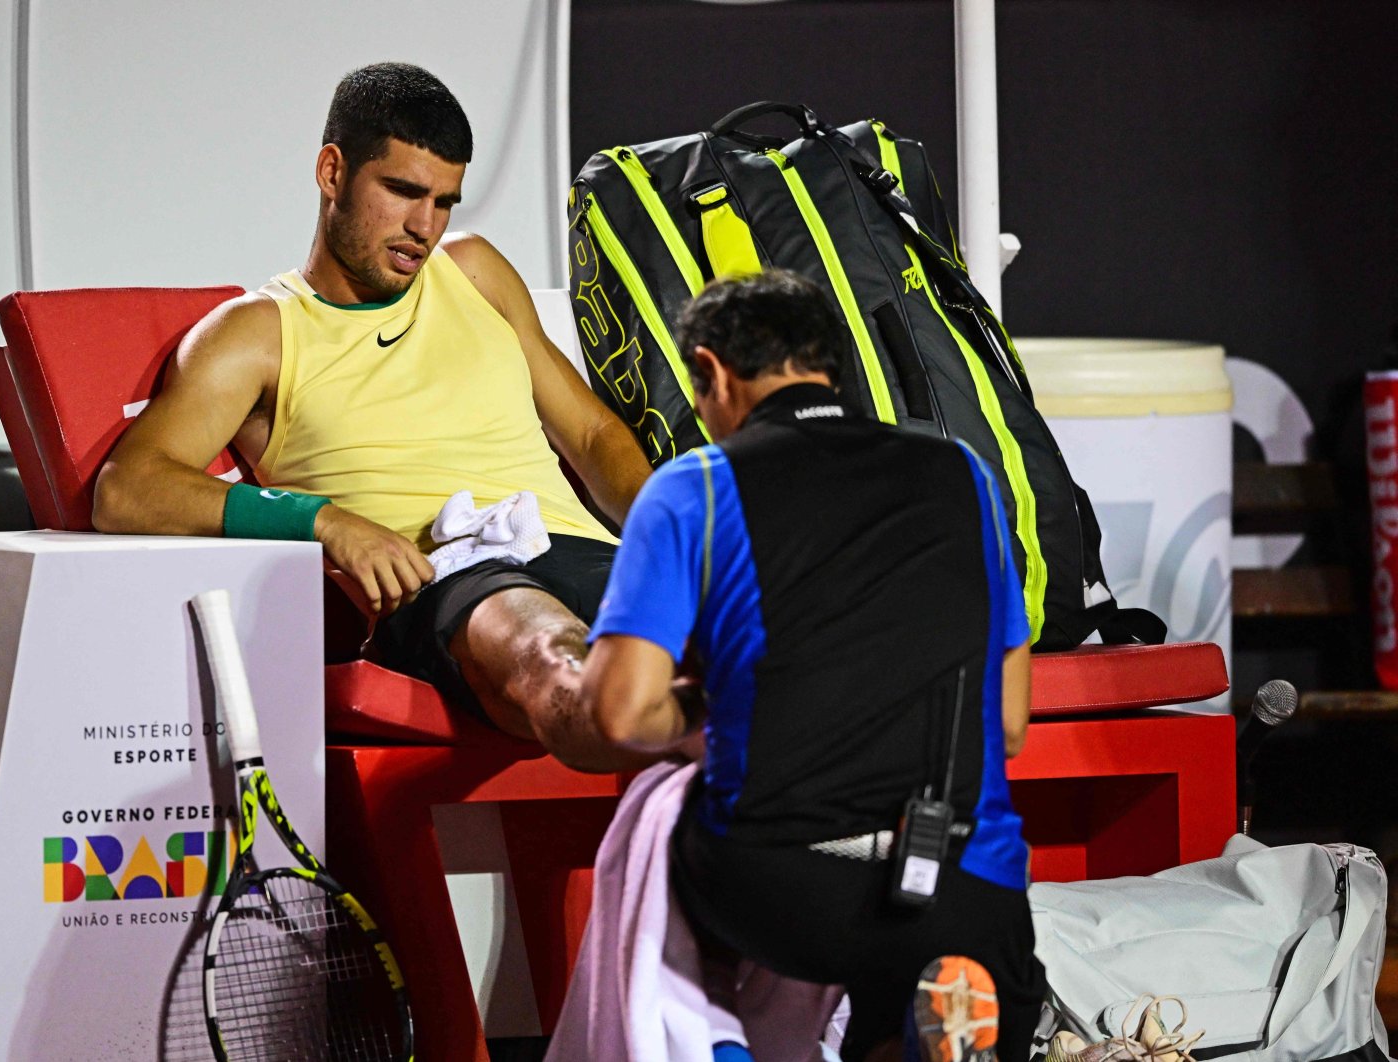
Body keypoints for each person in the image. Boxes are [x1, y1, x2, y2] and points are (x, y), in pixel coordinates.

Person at [93, 62, 653, 770]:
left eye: (445, 201)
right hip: (447, 576)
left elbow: (593, 434)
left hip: (571, 547)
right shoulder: (259, 331)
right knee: (550, 655)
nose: (425, 226)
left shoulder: (475, 271)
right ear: (332, 172)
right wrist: (321, 521)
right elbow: (127, 488)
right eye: (403, 191)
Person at [577, 271, 1047, 1060]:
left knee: (657, 820)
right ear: (828, 366)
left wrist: (701, 710)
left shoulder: (693, 486)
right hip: (960, 885)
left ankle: (714, 1046)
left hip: (777, 884)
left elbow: (620, 713)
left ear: (715, 373)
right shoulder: (963, 472)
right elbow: (1008, 724)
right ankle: (903, 1031)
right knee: (924, 969)